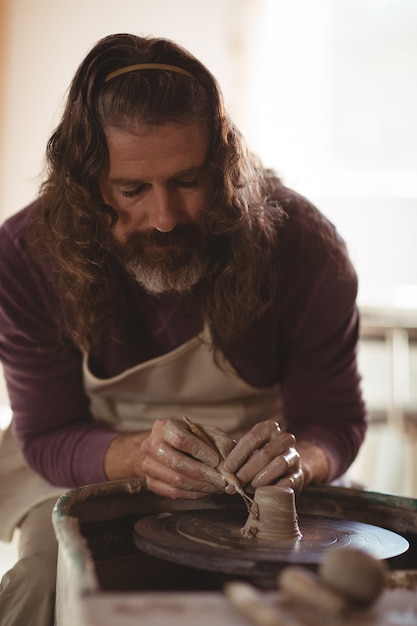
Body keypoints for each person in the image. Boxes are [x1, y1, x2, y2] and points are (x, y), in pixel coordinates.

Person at [0, 33, 367, 625]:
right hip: (91, 465)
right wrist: (139, 456)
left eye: (188, 181)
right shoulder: (25, 255)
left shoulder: (302, 245)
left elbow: (336, 420)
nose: (165, 217)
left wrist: (304, 459)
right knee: (47, 579)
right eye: (132, 190)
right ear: (85, 182)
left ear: (222, 163)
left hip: (261, 483)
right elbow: (47, 436)